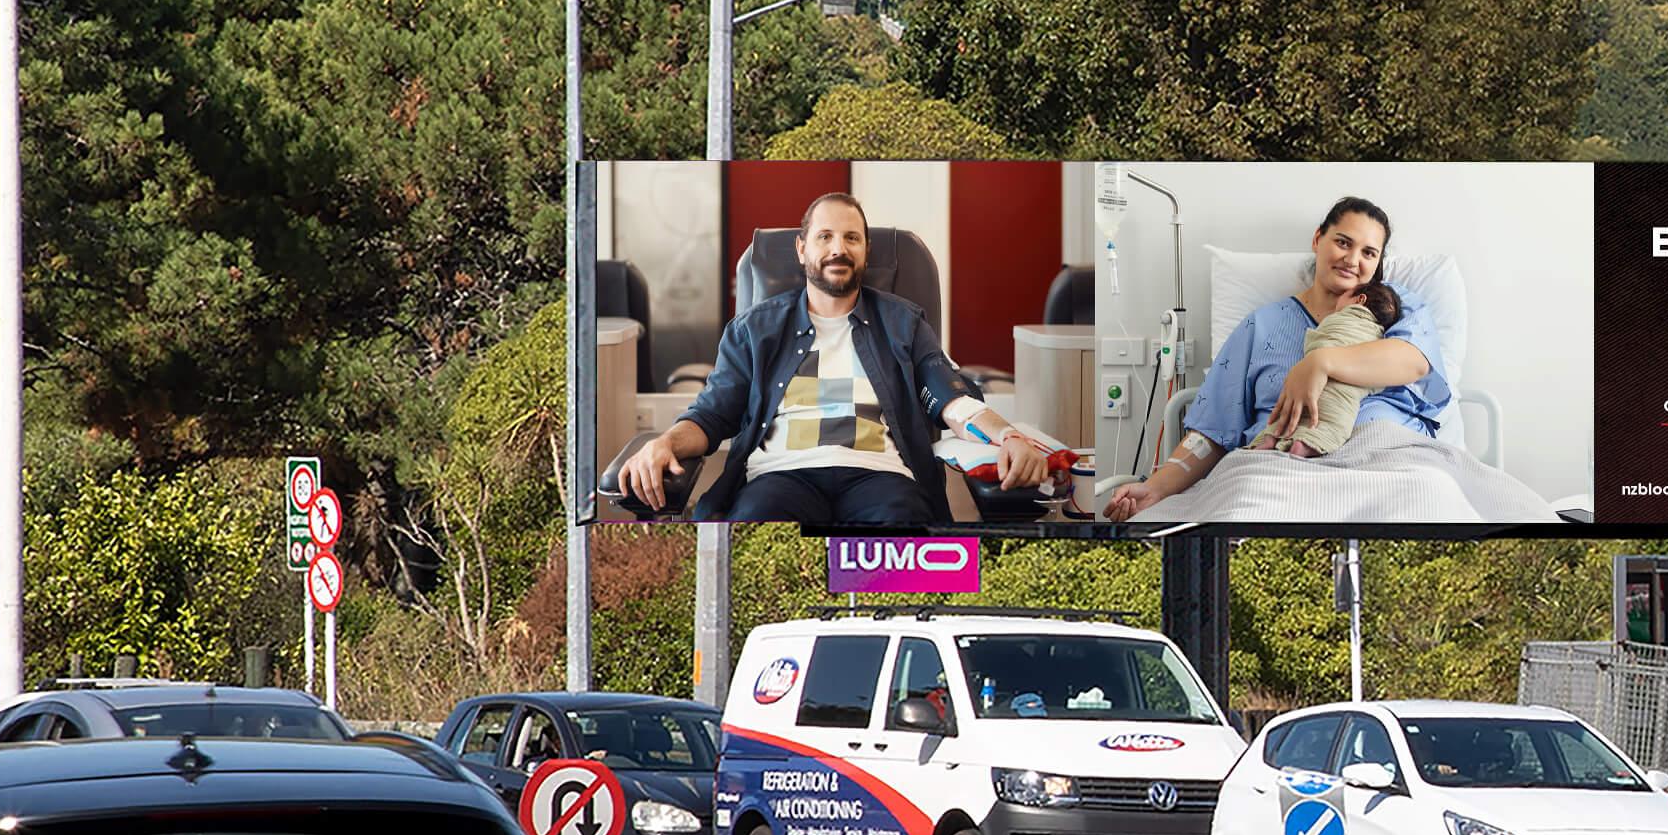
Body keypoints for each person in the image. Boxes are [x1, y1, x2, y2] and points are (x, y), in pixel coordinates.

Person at [619, 192, 1051, 524]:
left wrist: (1010, 437)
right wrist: (663, 443)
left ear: (865, 251)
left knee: (903, 522)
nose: (837, 249)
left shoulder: (903, 323)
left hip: (880, 477)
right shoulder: (755, 329)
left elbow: (952, 399)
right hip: (780, 476)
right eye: (824, 236)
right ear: (801, 249)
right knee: (756, 522)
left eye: (851, 238)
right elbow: (712, 415)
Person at [1104, 197, 1448, 521]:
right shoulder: (1263, 325)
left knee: (1423, 501)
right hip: (1277, 465)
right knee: (1247, 509)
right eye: (1343, 242)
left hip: (1385, 456)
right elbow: (1212, 431)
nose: (1353, 259)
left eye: (1369, 252)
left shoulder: (1391, 307)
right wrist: (1154, 488)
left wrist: (1320, 362)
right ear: (1318, 239)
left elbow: (1413, 361)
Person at [1247, 280, 1405, 457]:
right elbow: (1379, 375)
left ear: (1359, 299)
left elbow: (1318, 340)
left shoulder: (1334, 321)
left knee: (1286, 419)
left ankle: (1270, 439)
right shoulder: (1379, 340)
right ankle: (1302, 446)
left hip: (1304, 388)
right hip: (1339, 398)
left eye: (1344, 295)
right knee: (1330, 426)